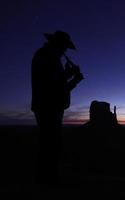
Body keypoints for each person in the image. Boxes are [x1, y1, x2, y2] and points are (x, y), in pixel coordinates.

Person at [31, 30, 84, 183]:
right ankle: (48, 180)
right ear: (58, 44)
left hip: (47, 106)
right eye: (64, 47)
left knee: (49, 143)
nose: (65, 51)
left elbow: (56, 84)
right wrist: (72, 77)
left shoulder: (46, 55)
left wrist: (69, 76)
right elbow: (55, 87)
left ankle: (46, 178)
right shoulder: (48, 57)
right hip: (49, 107)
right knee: (51, 144)